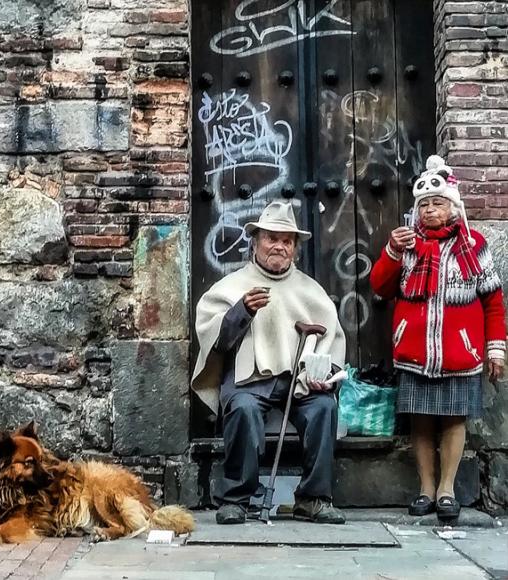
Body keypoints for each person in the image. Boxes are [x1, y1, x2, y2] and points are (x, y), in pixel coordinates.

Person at [192, 200, 347, 525]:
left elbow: (332, 342)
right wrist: (241, 312)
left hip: (301, 380)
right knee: (243, 409)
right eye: (271, 238)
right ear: (255, 241)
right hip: (250, 377)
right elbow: (215, 340)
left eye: (286, 240)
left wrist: (326, 375)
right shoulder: (232, 286)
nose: (278, 246)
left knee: (323, 408)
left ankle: (313, 498)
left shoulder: (311, 291)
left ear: (295, 248)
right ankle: (237, 499)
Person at [370, 155, 506, 520]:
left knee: (453, 419)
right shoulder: (408, 245)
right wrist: (393, 251)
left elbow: (493, 301)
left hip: (460, 352)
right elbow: (380, 287)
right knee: (422, 419)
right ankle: (426, 489)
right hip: (415, 351)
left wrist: (496, 348)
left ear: (453, 208)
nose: (429, 211)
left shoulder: (474, 245)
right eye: (424, 205)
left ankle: (447, 489)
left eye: (437, 203)